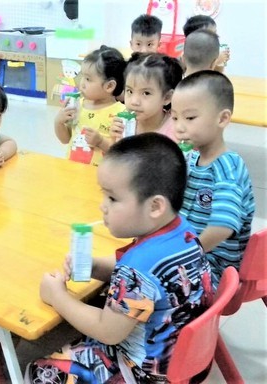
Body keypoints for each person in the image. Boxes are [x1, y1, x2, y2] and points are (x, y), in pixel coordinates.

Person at [24, 133, 213, 383]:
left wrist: (56, 296)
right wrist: (94, 266)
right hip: (187, 359)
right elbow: (149, 283)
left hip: (143, 373)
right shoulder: (183, 231)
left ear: (155, 206)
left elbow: (108, 331)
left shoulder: (138, 268)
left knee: (38, 372)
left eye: (112, 198)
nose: (103, 206)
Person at [171, 71, 255, 288]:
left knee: (144, 278)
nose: (179, 127)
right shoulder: (192, 158)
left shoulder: (228, 167)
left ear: (222, 118)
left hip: (214, 269)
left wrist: (183, 253)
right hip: (190, 255)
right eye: (175, 117)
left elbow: (222, 226)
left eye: (189, 118)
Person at [54, 45, 126, 165]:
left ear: (109, 86)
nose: (82, 83)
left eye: (88, 79)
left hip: (99, 177)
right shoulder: (78, 105)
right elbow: (66, 139)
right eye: (82, 76)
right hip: (72, 171)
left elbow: (121, 154)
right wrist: (58, 122)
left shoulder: (121, 114)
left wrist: (101, 142)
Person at [110, 52, 183, 142]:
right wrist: (115, 140)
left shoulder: (176, 132)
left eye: (146, 93)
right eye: (130, 91)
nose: (134, 101)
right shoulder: (124, 124)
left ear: (167, 97)